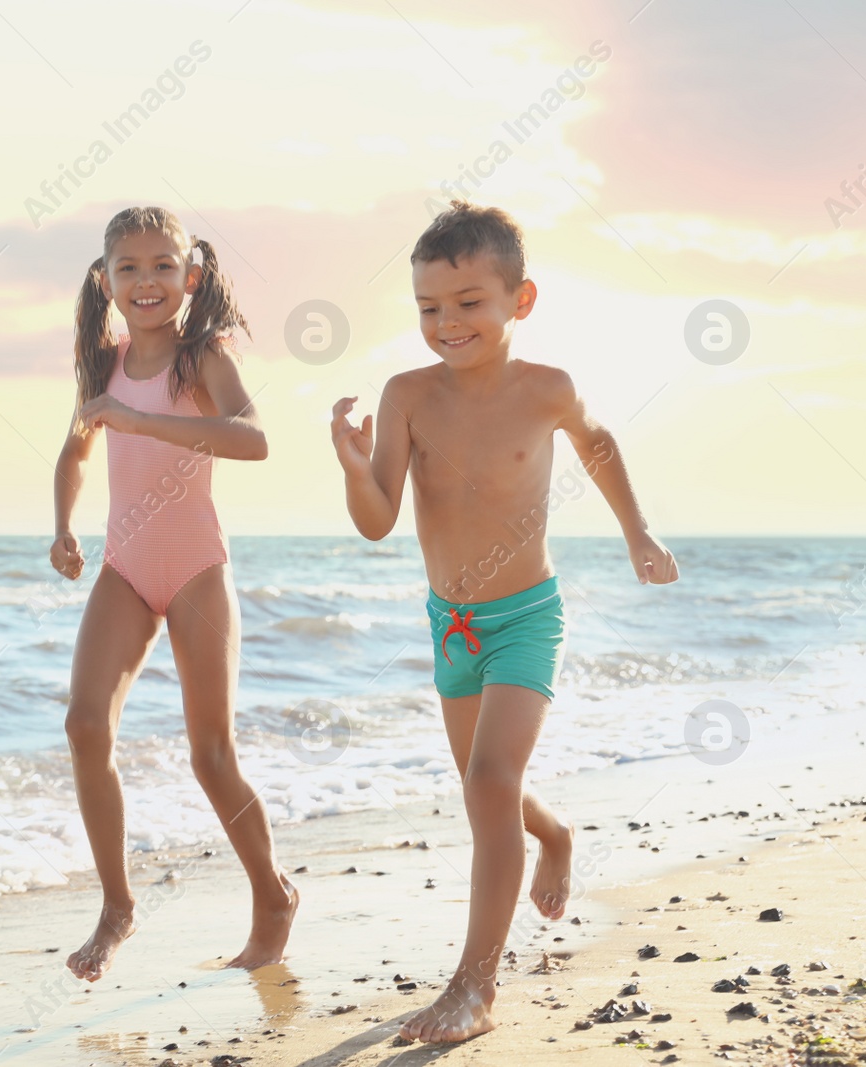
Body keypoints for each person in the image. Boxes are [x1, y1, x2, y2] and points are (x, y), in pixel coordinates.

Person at [329, 200, 678, 1042]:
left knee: (488, 785)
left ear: (520, 300)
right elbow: (378, 520)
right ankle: (555, 833)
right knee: (490, 791)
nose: (447, 323)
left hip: (526, 617)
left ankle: (474, 988)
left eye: (468, 302)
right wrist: (350, 462)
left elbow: (597, 445)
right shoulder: (407, 396)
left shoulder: (546, 389)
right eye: (428, 308)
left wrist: (638, 531)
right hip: (451, 625)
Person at [50, 206, 297, 982]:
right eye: (129, 267)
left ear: (190, 276)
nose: (147, 280)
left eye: (163, 265)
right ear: (107, 281)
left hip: (195, 567)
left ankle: (273, 894)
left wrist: (141, 422)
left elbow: (254, 439)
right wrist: (62, 523)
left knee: (210, 753)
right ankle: (118, 904)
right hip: (125, 565)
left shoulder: (202, 356)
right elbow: (75, 450)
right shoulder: (105, 363)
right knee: (86, 724)